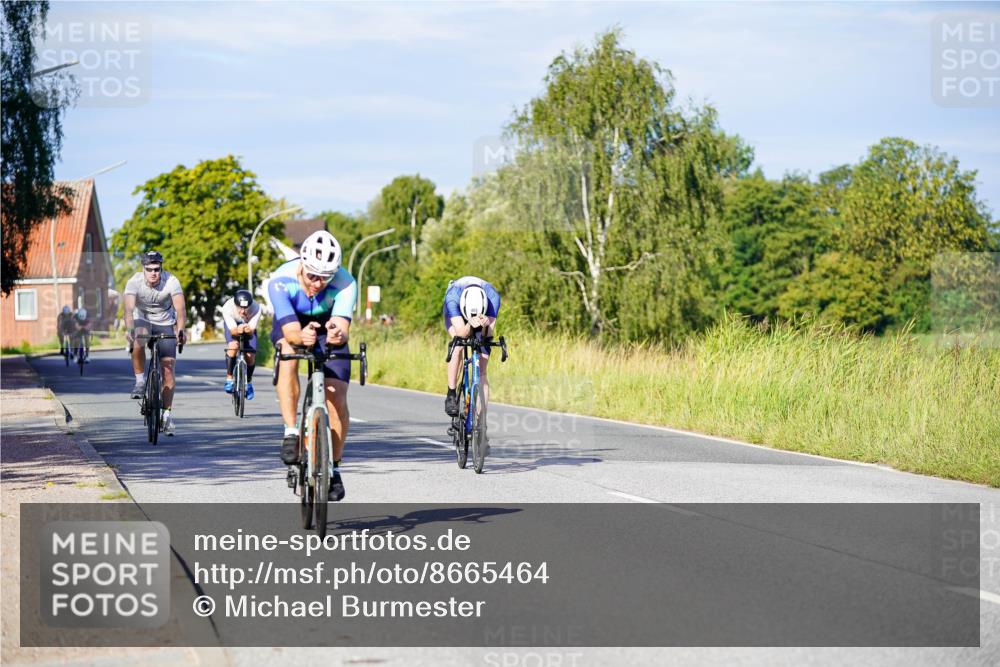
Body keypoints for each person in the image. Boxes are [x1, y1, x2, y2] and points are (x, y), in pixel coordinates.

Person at [263, 230, 356, 500]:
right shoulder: (280, 281)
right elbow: (290, 331)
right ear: (301, 265)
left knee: (337, 397)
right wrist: (300, 336)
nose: (317, 283)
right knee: (288, 352)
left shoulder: (346, 282)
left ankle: (334, 467)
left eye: (324, 278)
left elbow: (342, 326)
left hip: (327, 325)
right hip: (293, 323)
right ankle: (291, 430)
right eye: (312, 276)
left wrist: (338, 333)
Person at [123, 250, 186, 436]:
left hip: (165, 322)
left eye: (157, 269)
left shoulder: (171, 281)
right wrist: (129, 330)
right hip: (141, 318)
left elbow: (181, 310)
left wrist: (180, 330)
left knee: (168, 369)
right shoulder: (134, 282)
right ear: (143, 269)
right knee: (139, 337)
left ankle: (166, 414)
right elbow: (128, 310)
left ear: (161, 268)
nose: (153, 273)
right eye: (149, 269)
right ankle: (140, 381)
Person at [442, 276, 501, 417]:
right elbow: (460, 334)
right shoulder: (452, 298)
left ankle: (481, 421)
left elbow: (489, 335)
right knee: (458, 346)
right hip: (456, 313)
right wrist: (469, 324)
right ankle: (451, 393)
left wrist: (486, 325)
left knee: (482, 368)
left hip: (484, 311)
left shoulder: (492, 297)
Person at [221, 288, 261, 399]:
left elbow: (251, 331)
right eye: (240, 308)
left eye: (246, 308)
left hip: (248, 325)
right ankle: (229, 378)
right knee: (233, 346)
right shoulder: (227, 307)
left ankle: (248, 382)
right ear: (235, 305)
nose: (243, 311)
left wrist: (248, 330)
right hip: (233, 325)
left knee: (250, 355)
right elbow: (233, 331)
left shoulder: (256, 308)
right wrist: (238, 329)